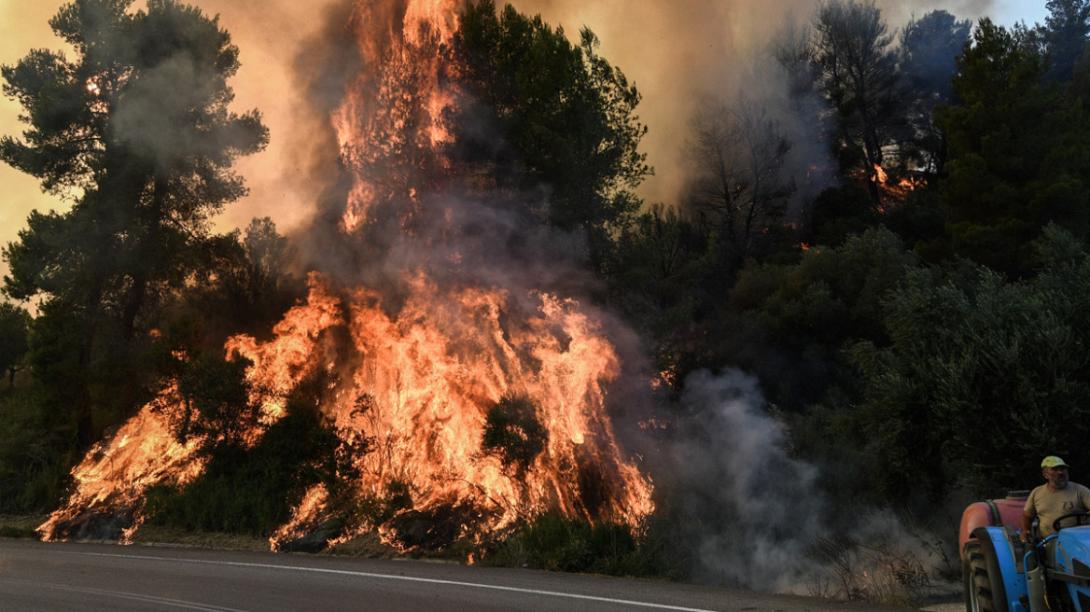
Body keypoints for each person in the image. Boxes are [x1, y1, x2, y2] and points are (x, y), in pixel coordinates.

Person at [1020, 455, 1090, 542]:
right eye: (1055, 469)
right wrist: (1025, 531)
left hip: (1077, 542)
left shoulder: (1080, 490)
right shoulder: (1037, 492)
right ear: (1045, 474)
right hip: (1048, 542)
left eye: (1063, 469)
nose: (1060, 472)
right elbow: (1027, 516)